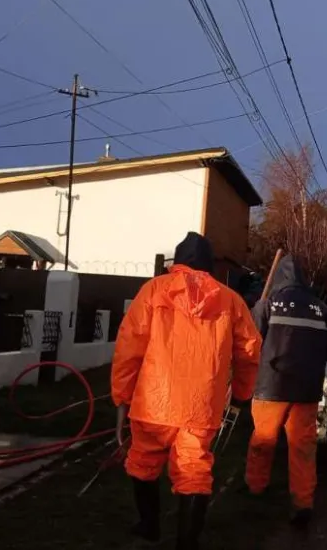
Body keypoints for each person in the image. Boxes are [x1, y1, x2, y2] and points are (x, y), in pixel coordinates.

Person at [111, 232, 261, 550]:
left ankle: (149, 525)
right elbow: (249, 352)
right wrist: (241, 395)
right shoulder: (230, 300)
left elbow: (129, 347)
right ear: (210, 264)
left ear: (176, 262)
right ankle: (186, 542)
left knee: (143, 462)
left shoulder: (153, 291)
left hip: (153, 401)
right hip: (201, 404)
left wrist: (122, 397)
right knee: (194, 470)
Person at [244, 254, 327, 527]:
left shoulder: (267, 304)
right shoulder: (322, 308)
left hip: (271, 387)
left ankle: (255, 487)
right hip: (306, 390)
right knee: (303, 447)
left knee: (263, 440)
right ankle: (302, 503)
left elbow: (250, 342)